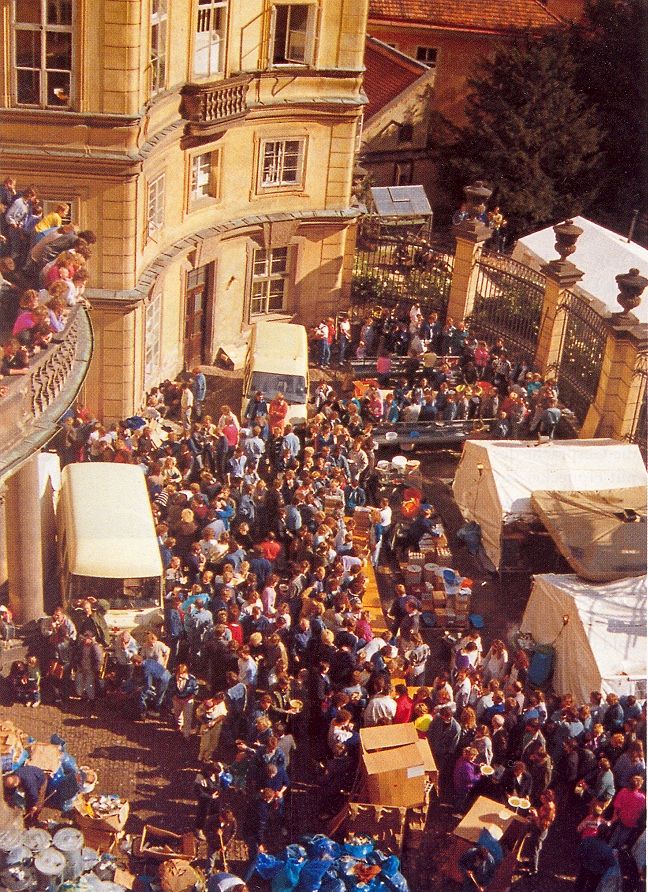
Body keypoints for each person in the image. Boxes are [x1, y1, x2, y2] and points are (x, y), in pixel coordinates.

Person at [574, 825, 617, 892]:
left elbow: (579, 853)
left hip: (584, 868)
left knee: (579, 885)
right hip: (596, 873)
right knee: (591, 888)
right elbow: (611, 863)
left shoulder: (587, 840)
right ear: (607, 834)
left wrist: (583, 861)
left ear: (597, 831)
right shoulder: (607, 849)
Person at [524, 788, 556, 875]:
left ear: (547, 799)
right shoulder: (547, 805)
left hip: (540, 833)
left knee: (535, 850)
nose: (541, 799)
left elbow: (541, 827)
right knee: (532, 847)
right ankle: (530, 862)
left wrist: (535, 816)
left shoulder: (549, 810)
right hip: (537, 830)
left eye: (543, 798)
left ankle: (533, 869)